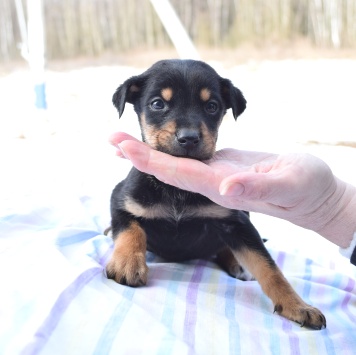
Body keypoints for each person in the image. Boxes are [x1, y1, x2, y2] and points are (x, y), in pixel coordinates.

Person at [109, 132, 356, 266]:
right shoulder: (138, 186)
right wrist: (334, 205)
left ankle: (228, 253)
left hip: (210, 246)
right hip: (157, 246)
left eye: (211, 106)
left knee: (234, 198)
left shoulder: (223, 186)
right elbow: (120, 203)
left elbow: (238, 223)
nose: (188, 132)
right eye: (158, 104)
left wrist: (332, 203)